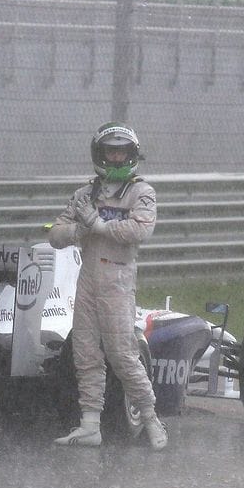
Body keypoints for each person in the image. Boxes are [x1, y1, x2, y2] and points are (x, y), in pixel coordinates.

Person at [48, 122, 167, 450]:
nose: (115, 158)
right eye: (110, 152)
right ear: (99, 154)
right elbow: (55, 234)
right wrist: (83, 231)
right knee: (84, 353)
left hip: (118, 279)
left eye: (121, 152)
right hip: (87, 280)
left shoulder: (142, 192)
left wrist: (96, 224)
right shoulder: (85, 194)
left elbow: (138, 231)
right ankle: (90, 425)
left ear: (132, 155)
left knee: (122, 355)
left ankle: (151, 419)